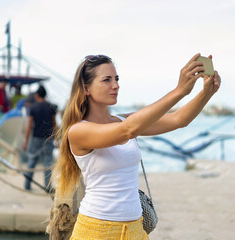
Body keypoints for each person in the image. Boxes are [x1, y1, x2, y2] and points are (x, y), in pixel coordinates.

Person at [51, 53, 221, 239]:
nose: (115, 85)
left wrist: (206, 93)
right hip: (97, 229)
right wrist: (179, 91)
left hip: (135, 228)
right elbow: (127, 131)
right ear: (86, 88)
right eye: (106, 80)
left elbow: (179, 119)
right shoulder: (78, 131)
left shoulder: (124, 120)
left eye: (116, 79)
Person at [23, 86, 57, 191]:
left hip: (36, 138)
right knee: (47, 163)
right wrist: (57, 138)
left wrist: (25, 141)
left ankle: (27, 185)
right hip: (48, 138)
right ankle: (48, 187)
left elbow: (29, 125)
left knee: (32, 161)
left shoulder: (33, 107)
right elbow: (54, 124)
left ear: (37, 95)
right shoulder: (51, 107)